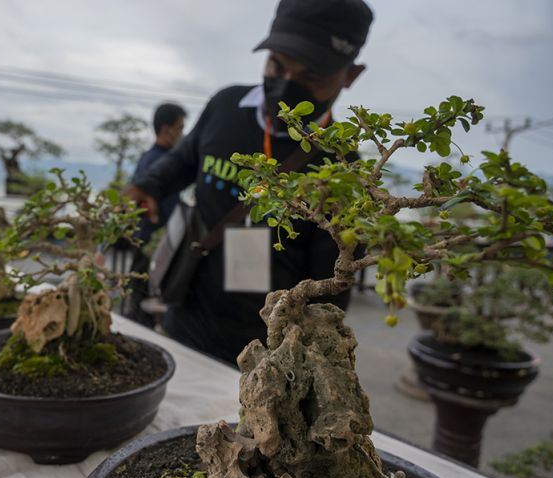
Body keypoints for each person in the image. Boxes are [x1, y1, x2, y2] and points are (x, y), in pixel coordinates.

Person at [124, 0, 373, 365]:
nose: (287, 84)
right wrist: (147, 185)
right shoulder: (226, 105)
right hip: (186, 309)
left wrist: (304, 360)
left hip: (264, 347)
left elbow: (333, 288)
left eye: (311, 76)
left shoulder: (344, 170)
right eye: (277, 64)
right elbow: (184, 159)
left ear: (350, 75)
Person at [122, 102, 187, 326]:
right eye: (180, 128)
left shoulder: (154, 157)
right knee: (142, 303)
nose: (182, 133)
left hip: (155, 241)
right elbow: (140, 202)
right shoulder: (157, 161)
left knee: (145, 300)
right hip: (149, 242)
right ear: (166, 129)